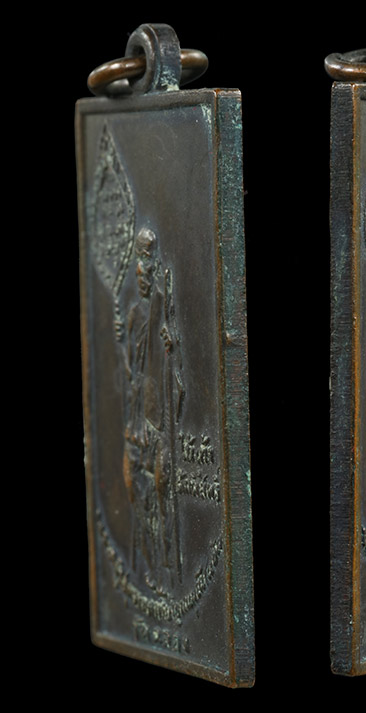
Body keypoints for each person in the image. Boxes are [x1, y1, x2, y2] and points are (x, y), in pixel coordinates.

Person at [122, 228, 184, 592]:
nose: (142, 280)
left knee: (163, 493)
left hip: (157, 420)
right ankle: (148, 568)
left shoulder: (163, 306)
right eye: (138, 274)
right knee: (136, 490)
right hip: (137, 419)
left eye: (147, 272)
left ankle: (168, 569)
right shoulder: (134, 314)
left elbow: (175, 372)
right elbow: (129, 369)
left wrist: (170, 345)